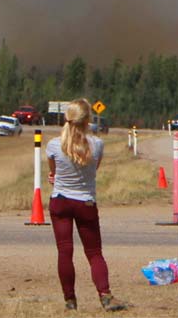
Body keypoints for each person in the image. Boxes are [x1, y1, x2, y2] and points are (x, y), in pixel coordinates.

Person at [46, 98, 127, 312]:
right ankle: (105, 295)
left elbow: (53, 173)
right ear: (87, 120)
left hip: (61, 200)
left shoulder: (54, 145)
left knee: (65, 252)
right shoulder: (97, 144)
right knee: (94, 252)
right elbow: (94, 170)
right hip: (85, 202)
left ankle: (70, 300)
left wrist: (56, 177)